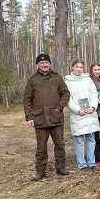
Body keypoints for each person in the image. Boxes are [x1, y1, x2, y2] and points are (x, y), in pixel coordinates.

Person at [23, 53, 71, 181]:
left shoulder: (57, 78)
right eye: (42, 63)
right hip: (40, 119)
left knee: (60, 144)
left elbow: (65, 93)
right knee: (41, 147)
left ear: (50, 64)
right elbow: (27, 100)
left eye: (46, 63)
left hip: (56, 118)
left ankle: (61, 167)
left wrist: (59, 107)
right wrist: (29, 117)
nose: (44, 65)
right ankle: (40, 170)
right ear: (37, 65)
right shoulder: (32, 80)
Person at [65, 59, 100, 171]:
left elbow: (94, 94)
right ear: (72, 67)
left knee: (91, 139)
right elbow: (67, 99)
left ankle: (91, 161)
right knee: (79, 140)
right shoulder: (68, 82)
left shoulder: (88, 79)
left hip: (90, 113)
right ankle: (82, 163)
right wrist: (77, 110)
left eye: (81, 67)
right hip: (78, 115)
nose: (79, 69)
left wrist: (93, 106)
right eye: (77, 67)